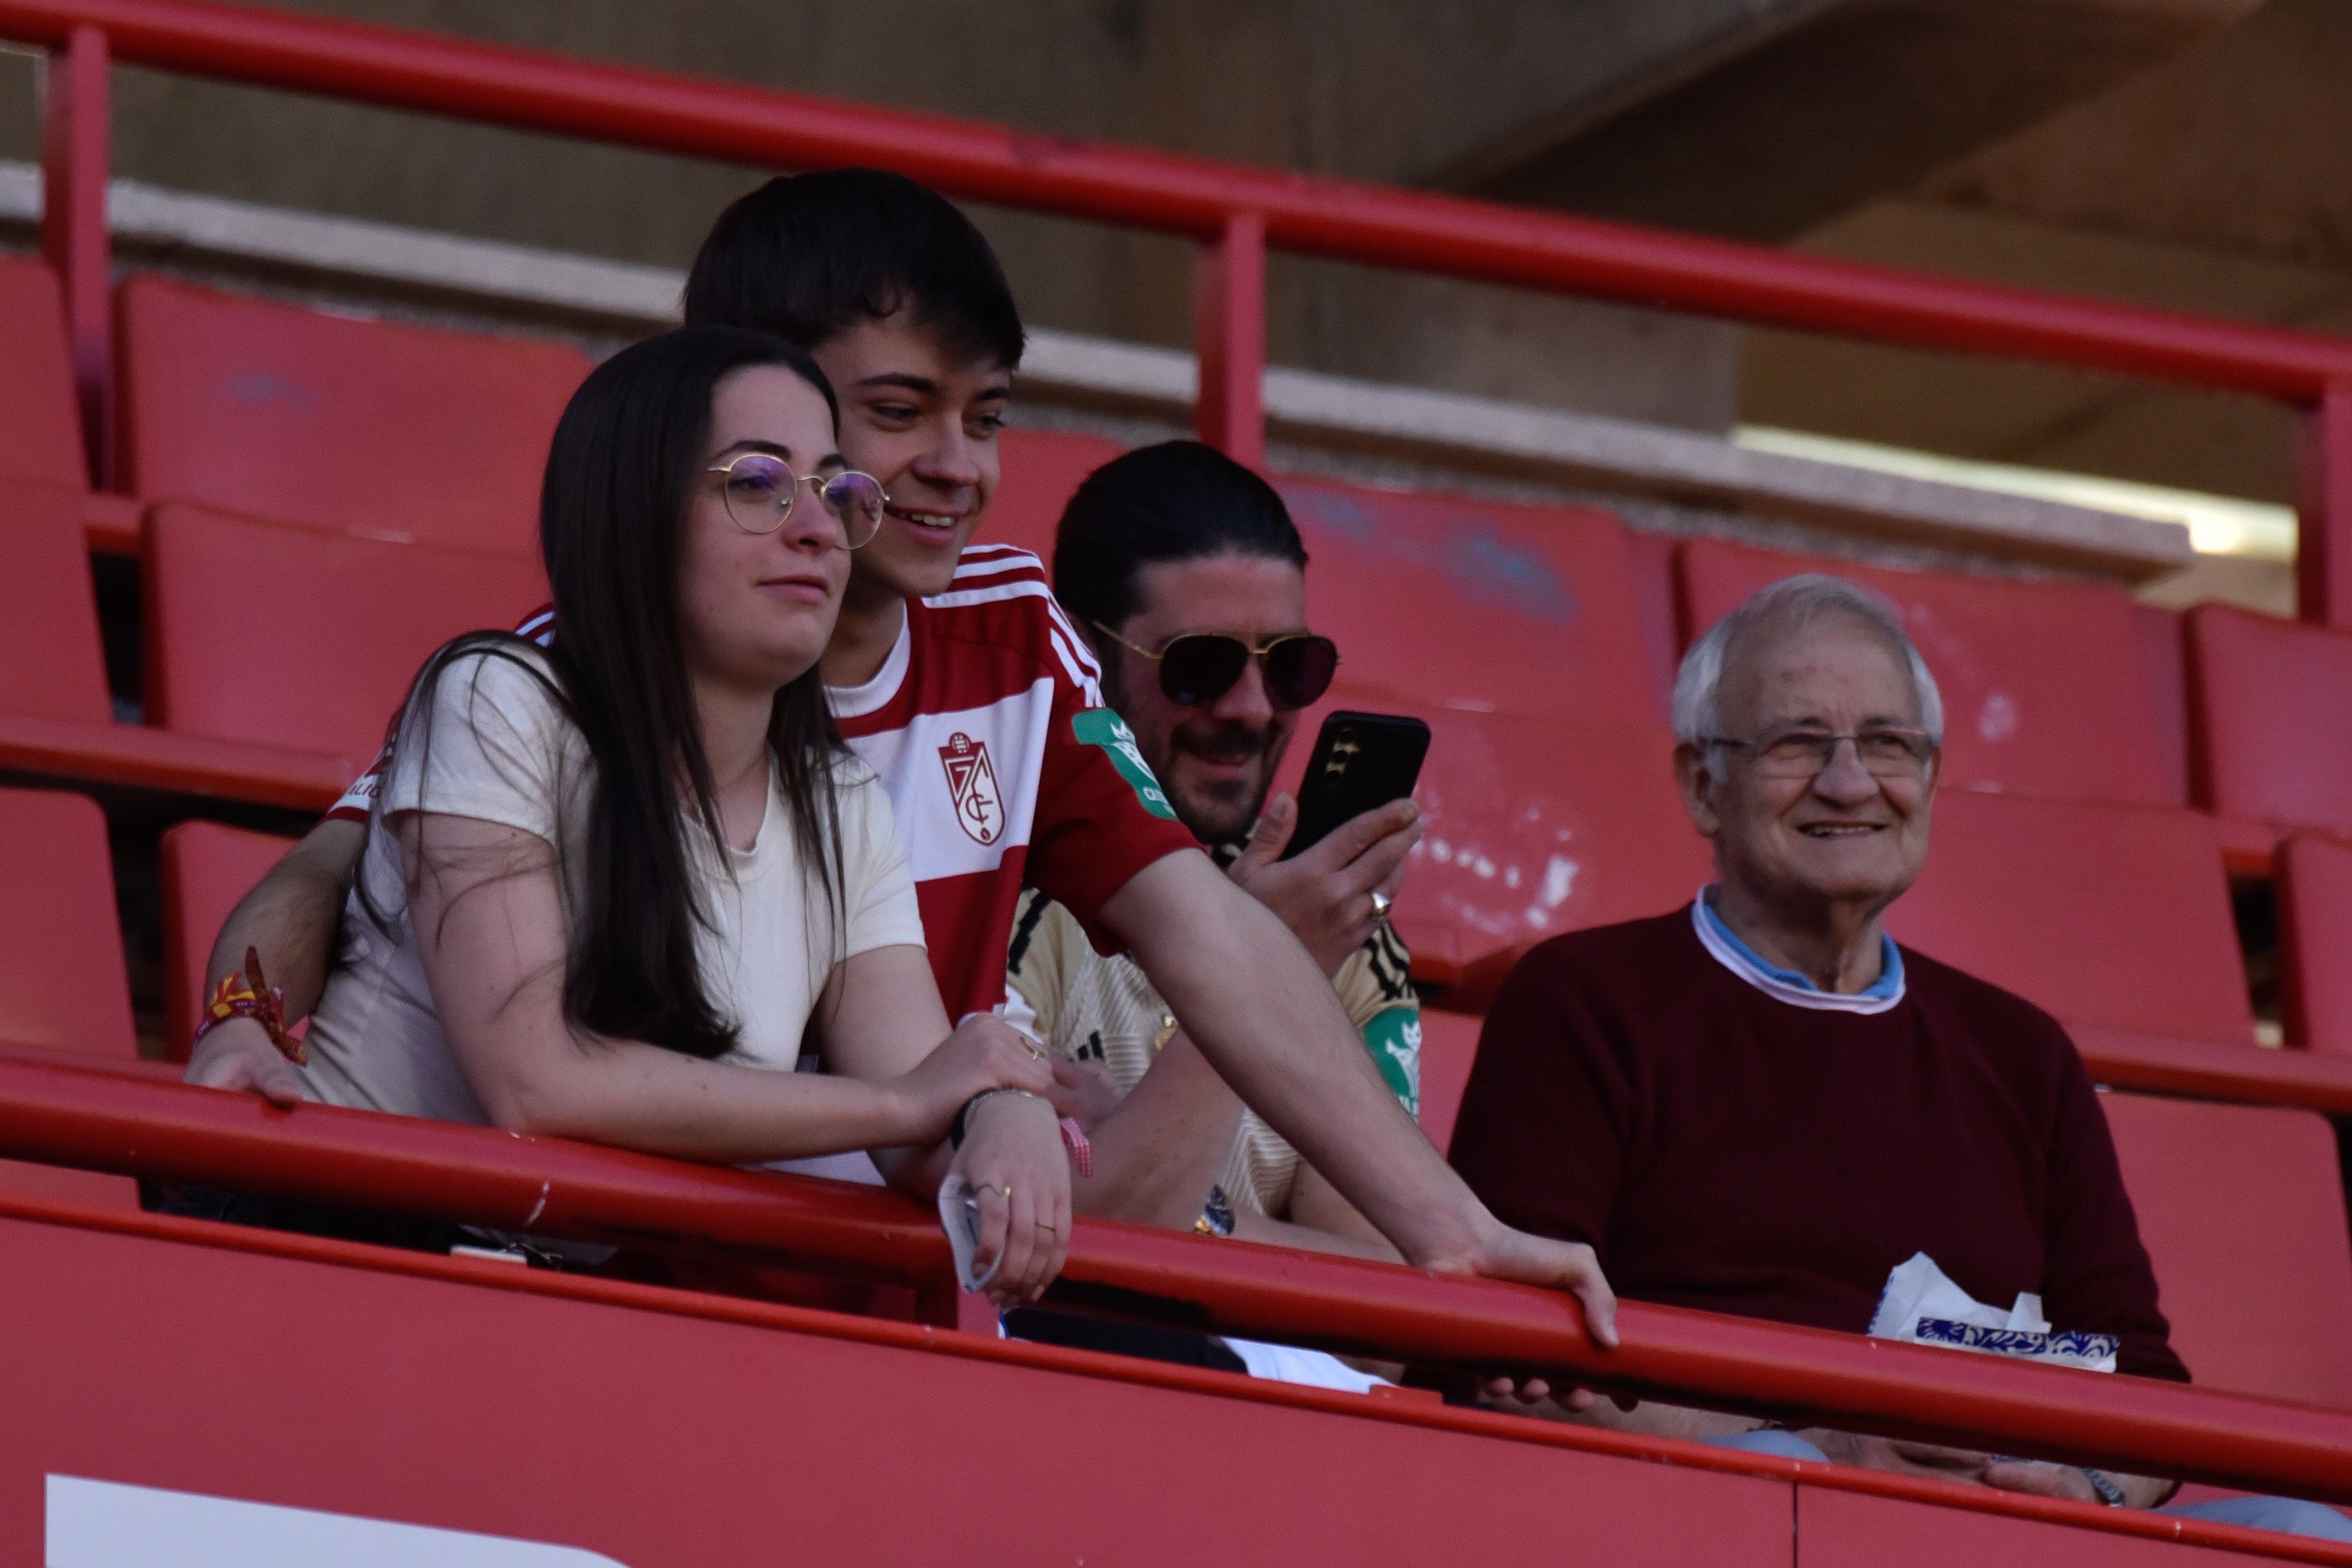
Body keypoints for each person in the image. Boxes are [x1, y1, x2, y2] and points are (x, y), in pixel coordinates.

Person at [183, 169, 1618, 1337]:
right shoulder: (544, 675)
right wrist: (242, 1010)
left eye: (983, 416)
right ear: (739, 398)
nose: (953, 466)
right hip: (514, 1286)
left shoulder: (967, 669)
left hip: (840, 1317)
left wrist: (1450, 1225)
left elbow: (1194, 939)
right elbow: (336, 878)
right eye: (894, 413)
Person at [1447, 573, 2352, 1541]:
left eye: (1888, 743)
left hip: (2003, 1518)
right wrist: (1829, 1451)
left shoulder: (2020, 1053)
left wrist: (2075, 1480)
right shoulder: (1585, 998)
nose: (1850, 782)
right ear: (1702, 784)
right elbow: (1511, 1361)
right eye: (1798, 743)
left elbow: (2134, 1376)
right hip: (1712, 1503)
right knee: (1781, 1483)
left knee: (2312, 1529)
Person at [177, 326, 1071, 1299]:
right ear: (637, 512)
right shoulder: (498, 698)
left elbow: (928, 1115)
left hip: (540, 1302)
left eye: (834, 490)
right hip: (313, 1237)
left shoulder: (842, 806)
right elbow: (538, 1084)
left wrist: (1003, 1114)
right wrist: (909, 1100)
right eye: (759, 484)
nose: (817, 528)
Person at [1001, 441, 1420, 1385]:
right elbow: (1056, 1249)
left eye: (1290, 667)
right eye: (1197, 665)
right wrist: (1271, 960)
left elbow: (1396, 1313)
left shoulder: (1349, 931)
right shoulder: (1007, 877)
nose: (1249, 706)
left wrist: (1202, 1214)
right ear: (1081, 648)